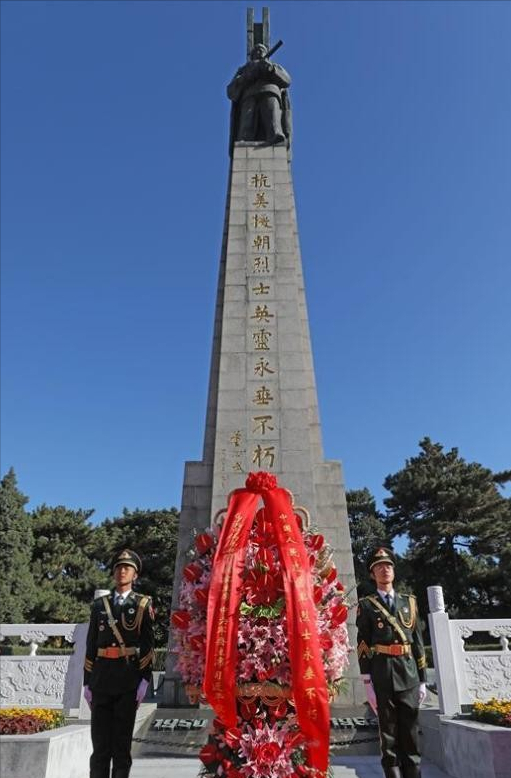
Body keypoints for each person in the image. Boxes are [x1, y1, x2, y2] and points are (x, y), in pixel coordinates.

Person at [356, 547, 427, 778]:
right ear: (372, 574)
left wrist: (423, 680)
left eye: (388, 566)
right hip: (382, 673)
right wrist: (367, 682)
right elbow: (363, 644)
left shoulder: (411, 603)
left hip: (408, 674)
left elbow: (417, 642)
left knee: (410, 732)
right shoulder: (367, 605)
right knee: (388, 735)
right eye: (379, 567)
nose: (384, 570)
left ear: (394, 571)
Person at [83, 549, 154, 778]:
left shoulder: (143, 604)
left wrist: (144, 679)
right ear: (114, 573)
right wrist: (87, 682)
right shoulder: (99, 605)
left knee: (122, 747)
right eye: (118, 568)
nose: (122, 571)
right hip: (101, 679)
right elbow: (91, 645)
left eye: (127, 568)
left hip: (127, 679)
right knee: (100, 747)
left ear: (135, 575)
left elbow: (148, 644)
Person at [227, 43, 291, 148]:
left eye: (262, 50)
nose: (259, 52)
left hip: (270, 92)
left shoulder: (272, 65)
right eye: (256, 50)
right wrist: (246, 77)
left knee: (272, 115)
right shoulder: (243, 69)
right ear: (252, 55)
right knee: (247, 121)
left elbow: (287, 80)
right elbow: (231, 91)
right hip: (249, 96)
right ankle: (244, 139)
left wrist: (272, 70)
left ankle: (275, 135)